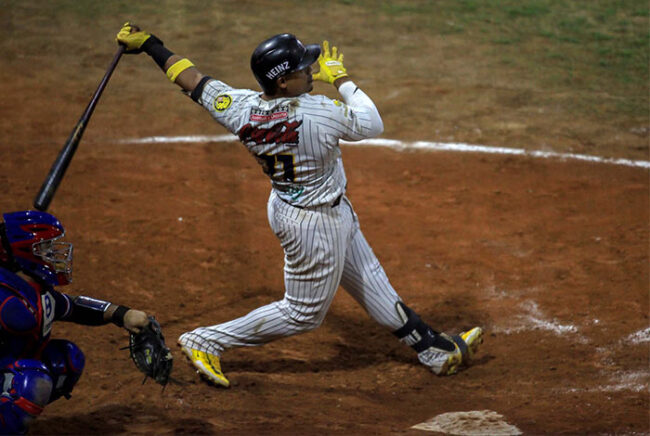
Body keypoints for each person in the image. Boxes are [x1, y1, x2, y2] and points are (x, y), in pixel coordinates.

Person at [116, 23, 483, 388]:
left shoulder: (240, 107)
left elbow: (191, 79)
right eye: (303, 69)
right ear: (282, 82)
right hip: (314, 224)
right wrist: (341, 79)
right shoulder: (318, 113)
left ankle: (432, 348)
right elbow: (372, 123)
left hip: (296, 206)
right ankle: (207, 340)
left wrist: (151, 45)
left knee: (371, 279)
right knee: (303, 313)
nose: (311, 71)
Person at [0, 210, 153, 434]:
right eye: (45, 247)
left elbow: (72, 307)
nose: (53, 253)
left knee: (65, 360)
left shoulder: (33, 290)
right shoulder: (6, 295)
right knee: (29, 381)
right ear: (25, 252)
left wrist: (120, 314)